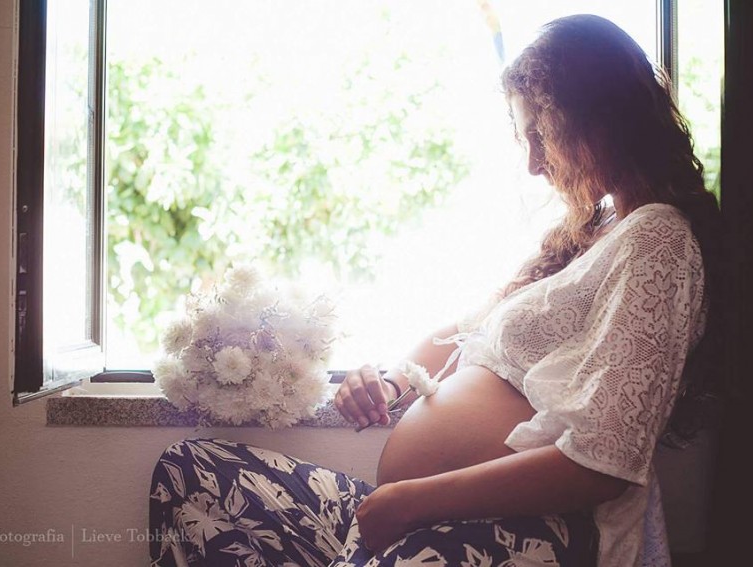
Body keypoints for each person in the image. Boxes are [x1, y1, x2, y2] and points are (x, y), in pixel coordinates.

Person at [149, 14, 722, 567]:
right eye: (525, 139)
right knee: (191, 472)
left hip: (519, 530)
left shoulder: (657, 238)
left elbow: (605, 463)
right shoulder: (591, 237)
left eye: (542, 136)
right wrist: (389, 382)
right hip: (425, 520)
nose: (533, 163)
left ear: (596, 121)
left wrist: (411, 502)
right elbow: (461, 333)